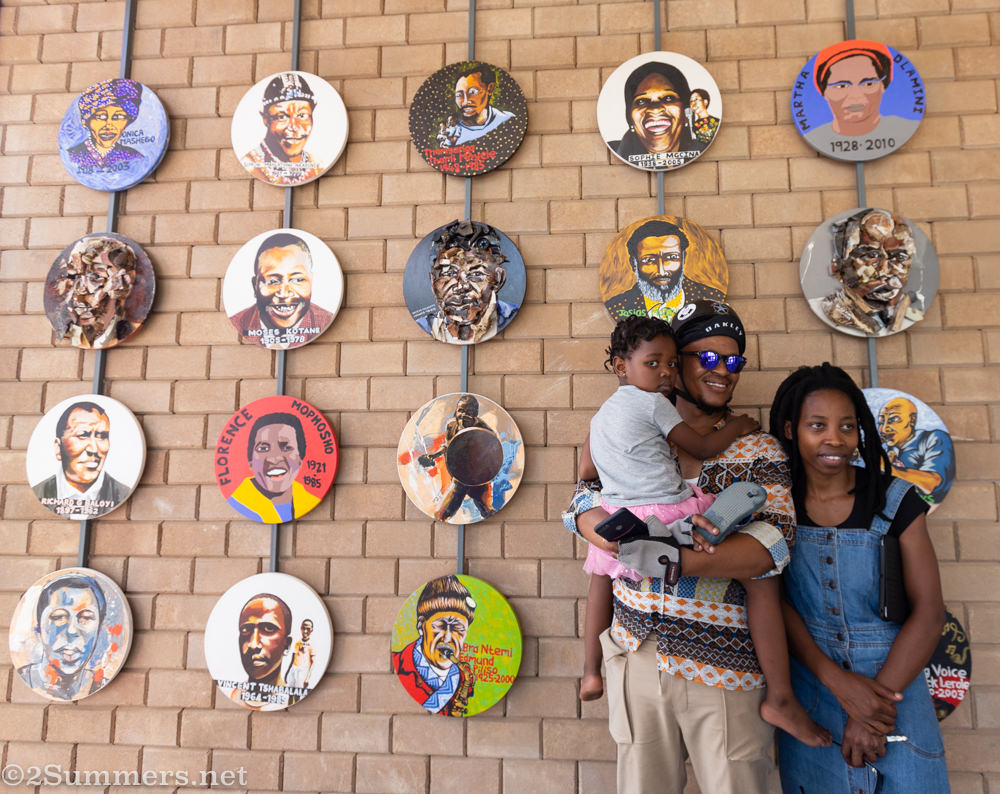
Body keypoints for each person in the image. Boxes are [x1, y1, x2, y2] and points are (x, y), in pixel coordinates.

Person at [563, 300, 805, 794]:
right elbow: (580, 500)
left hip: (724, 669)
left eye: (734, 361)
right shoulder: (633, 424)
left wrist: (659, 554)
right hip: (635, 655)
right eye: (706, 358)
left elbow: (773, 545)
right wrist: (594, 527)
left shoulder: (756, 447)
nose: (723, 371)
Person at [769, 364, 949, 793]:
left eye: (847, 426)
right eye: (818, 426)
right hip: (813, 691)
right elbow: (775, 604)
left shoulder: (895, 499)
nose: (835, 439)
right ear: (792, 430)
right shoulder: (778, 504)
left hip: (895, 691)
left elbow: (929, 611)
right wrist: (840, 685)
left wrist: (873, 705)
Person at [577, 315, 766, 701]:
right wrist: (739, 426)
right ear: (620, 367)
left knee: (600, 579)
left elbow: (585, 476)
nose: (665, 372)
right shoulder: (654, 406)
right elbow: (702, 448)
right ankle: (685, 534)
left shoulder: (599, 417)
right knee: (719, 510)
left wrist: (590, 514)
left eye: (671, 364)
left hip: (615, 515)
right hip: (665, 508)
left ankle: (590, 673)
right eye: (654, 363)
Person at [816, 209, 923, 335]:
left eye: (898, 258)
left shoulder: (915, 307)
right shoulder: (831, 307)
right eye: (871, 256)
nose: (885, 270)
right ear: (837, 270)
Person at [803, 41, 920, 153]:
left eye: (868, 84)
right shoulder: (816, 137)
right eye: (841, 86)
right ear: (824, 92)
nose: (856, 96)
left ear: (883, 86)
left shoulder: (903, 128)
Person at [415, 220, 518, 344]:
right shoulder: (427, 325)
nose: (461, 286)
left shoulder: (510, 315)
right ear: (433, 281)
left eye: (476, 275)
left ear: (498, 279)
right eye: (449, 273)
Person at [604, 219, 726, 321]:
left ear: (683, 259)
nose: (661, 271)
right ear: (633, 263)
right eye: (649, 260)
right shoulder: (619, 305)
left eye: (671, 258)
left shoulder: (711, 300)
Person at [229, 232, 334, 349]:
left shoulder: (326, 321)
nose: (284, 293)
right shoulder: (238, 323)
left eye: (297, 279)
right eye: (273, 281)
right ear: (255, 286)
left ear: (311, 281)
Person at [391, 575, 477, 717]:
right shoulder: (401, 663)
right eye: (441, 625)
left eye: (458, 629)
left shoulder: (464, 675)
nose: (448, 637)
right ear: (421, 626)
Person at [32, 401, 130, 520]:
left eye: (102, 436)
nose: (94, 449)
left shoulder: (122, 494)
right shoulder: (40, 493)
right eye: (83, 435)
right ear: (58, 447)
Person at [16, 573, 107, 700]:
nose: (71, 631)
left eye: (86, 618)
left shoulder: (100, 684)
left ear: (98, 630)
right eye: (59, 617)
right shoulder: (21, 680)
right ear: (38, 627)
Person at [416, 394, 499, 521]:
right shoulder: (451, 426)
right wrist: (434, 455)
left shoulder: (481, 427)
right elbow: (448, 446)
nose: (463, 414)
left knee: (483, 509)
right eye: (460, 410)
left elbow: (492, 444)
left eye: (469, 411)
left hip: (478, 475)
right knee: (446, 513)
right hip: (460, 474)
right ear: (456, 411)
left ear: (475, 414)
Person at [610, 61, 707, 169]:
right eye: (641, 101)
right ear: (630, 117)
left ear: (686, 113)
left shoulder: (704, 148)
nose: (655, 109)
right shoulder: (612, 152)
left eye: (668, 98)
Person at [226, 412, 320, 523]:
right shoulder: (240, 503)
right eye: (263, 449)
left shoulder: (308, 499)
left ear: (300, 459)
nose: (274, 459)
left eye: (286, 448)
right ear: (251, 461)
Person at [49, 235, 141, 349]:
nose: (82, 290)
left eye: (96, 276)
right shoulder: (71, 328)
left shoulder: (126, 325)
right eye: (75, 277)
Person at [240, 73, 323, 185]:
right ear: (266, 119)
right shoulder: (250, 164)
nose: (293, 126)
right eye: (281, 117)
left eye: (302, 115)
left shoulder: (317, 166)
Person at [877, 396, 954, 506]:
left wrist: (884, 467)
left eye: (893, 420)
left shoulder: (935, 438)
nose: (884, 429)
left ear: (912, 420)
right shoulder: (891, 449)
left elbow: (931, 483)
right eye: (881, 422)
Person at [66, 78, 145, 174]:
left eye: (119, 117)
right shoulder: (72, 156)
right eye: (101, 116)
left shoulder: (134, 157)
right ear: (86, 121)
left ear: (128, 121)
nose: (109, 125)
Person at [234, 592, 296, 708]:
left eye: (268, 629)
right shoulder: (232, 695)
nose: (253, 644)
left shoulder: (291, 699)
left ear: (287, 645)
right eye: (245, 630)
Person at [448, 65, 515, 145]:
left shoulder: (507, 120)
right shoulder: (454, 132)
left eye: (473, 92)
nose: (466, 101)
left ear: (490, 88)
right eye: (459, 95)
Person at [284, 618, 315, 688]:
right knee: (289, 691)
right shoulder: (297, 643)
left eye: (308, 629)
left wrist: (307, 678)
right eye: (303, 628)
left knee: (298, 692)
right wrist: (288, 671)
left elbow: (313, 663)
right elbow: (293, 658)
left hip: (302, 671)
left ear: (311, 630)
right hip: (293, 669)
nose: (305, 631)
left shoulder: (311, 645)